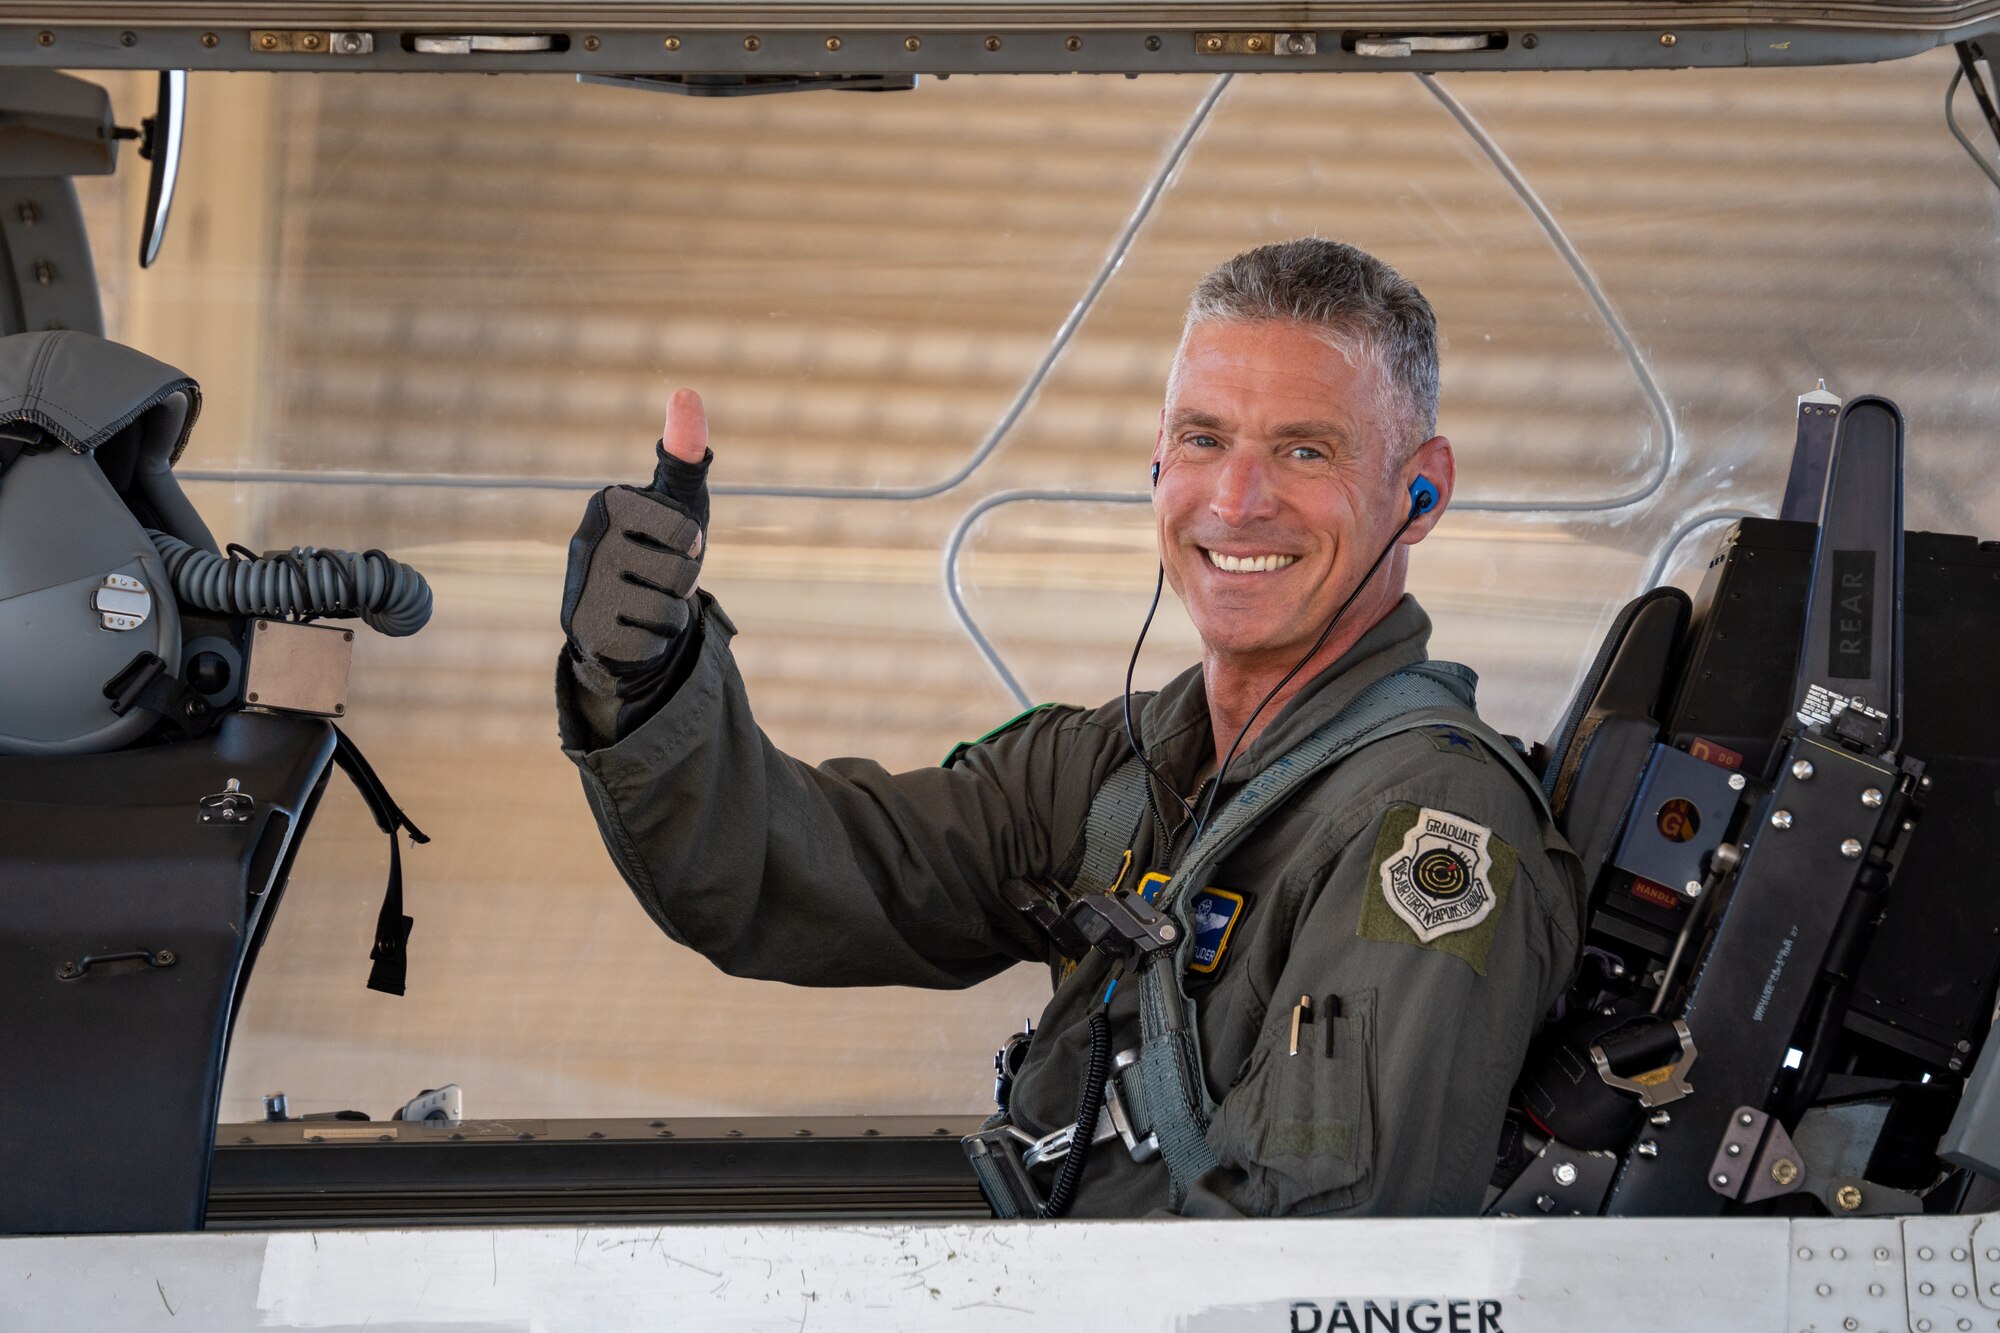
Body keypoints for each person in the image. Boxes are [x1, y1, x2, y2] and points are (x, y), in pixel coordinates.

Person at [555, 238, 1584, 1218]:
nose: (1236, 501)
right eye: (1204, 440)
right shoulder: (1116, 771)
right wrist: (646, 679)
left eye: (1304, 450)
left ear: (1420, 492)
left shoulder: (1430, 827)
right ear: (1156, 464)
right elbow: (785, 868)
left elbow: (1299, 1270)